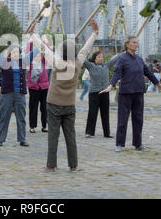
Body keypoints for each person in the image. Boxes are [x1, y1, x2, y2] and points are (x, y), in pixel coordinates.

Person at [31, 19, 99, 173]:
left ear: (62, 52)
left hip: (54, 103)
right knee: (70, 136)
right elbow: (85, 50)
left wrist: (32, 34)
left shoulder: (57, 62)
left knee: (53, 136)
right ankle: (73, 166)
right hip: (69, 105)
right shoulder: (78, 63)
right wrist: (94, 34)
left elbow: (43, 49)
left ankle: (51, 166)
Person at [100, 36, 161, 152]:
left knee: (138, 119)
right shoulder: (122, 58)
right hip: (125, 93)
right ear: (127, 45)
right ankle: (119, 144)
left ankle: (137, 143)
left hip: (139, 92)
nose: (136, 44)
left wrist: (157, 83)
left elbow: (148, 72)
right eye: (133, 42)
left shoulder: (139, 59)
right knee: (122, 120)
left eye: (136, 42)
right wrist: (110, 85)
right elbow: (117, 72)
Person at [0, 31, 39, 147]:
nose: (15, 53)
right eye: (13, 52)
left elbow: (34, 52)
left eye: (17, 52)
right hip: (7, 94)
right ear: (9, 53)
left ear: (19, 53)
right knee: (4, 117)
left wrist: (38, 42)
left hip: (20, 94)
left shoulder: (23, 62)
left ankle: (22, 139)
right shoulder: (4, 62)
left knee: (21, 117)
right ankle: (0, 139)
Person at [83, 51, 121, 138]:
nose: (101, 58)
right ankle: (89, 132)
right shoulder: (91, 66)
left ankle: (107, 133)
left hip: (105, 92)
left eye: (102, 57)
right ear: (95, 59)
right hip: (94, 93)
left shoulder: (107, 66)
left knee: (105, 113)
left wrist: (124, 51)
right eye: (99, 57)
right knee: (92, 113)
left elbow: (115, 58)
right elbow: (82, 60)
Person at [26, 41, 50, 134]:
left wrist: (44, 42)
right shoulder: (30, 64)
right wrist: (31, 42)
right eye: (36, 56)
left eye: (39, 56)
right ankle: (32, 126)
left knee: (45, 108)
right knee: (33, 107)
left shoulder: (43, 63)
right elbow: (29, 51)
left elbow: (47, 51)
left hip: (44, 88)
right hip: (34, 88)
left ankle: (45, 125)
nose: (38, 57)